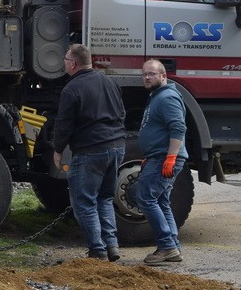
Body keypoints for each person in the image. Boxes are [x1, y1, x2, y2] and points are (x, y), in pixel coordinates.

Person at [53, 44, 126, 261]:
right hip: (116, 147)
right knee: (104, 198)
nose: (64, 63)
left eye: (65, 59)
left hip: (90, 151)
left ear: (73, 63)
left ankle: (97, 250)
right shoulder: (110, 82)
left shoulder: (72, 88)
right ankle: (112, 245)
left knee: (85, 201)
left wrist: (57, 150)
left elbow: (64, 124)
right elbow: (121, 113)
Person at [137, 59, 189, 264]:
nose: (147, 77)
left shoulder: (167, 97)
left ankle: (167, 246)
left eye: (151, 74)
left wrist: (170, 157)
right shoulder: (157, 96)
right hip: (156, 157)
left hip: (164, 158)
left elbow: (179, 128)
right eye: (144, 74)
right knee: (161, 201)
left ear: (163, 76)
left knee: (145, 199)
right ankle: (173, 246)